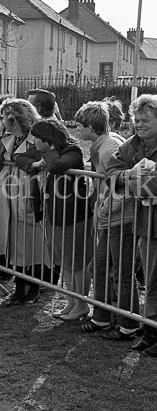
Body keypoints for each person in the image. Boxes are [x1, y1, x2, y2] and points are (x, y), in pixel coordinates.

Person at [16, 118, 93, 319]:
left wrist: (48, 153)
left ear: (47, 140)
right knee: (65, 262)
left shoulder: (73, 151)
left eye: (37, 139)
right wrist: (36, 162)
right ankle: (71, 301)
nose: (33, 143)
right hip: (54, 217)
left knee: (76, 263)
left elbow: (56, 166)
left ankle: (82, 303)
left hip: (74, 217)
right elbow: (19, 158)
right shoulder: (44, 151)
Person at [74, 101, 138, 340]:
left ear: (91, 126)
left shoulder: (109, 147)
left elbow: (122, 185)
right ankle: (103, 317)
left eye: (80, 126)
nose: (77, 131)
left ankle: (128, 324)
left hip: (120, 217)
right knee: (100, 267)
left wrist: (105, 209)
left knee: (120, 271)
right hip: (110, 216)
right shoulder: (104, 144)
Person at [106, 94, 157, 355]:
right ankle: (150, 331)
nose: (139, 124)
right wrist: (129, 176)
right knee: (150, 278)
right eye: (136, 120)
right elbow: (111, 170)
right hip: (147, 224)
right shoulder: (131, 145)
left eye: (145, 120)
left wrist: (146, 180)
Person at [0, 99, 47, 305]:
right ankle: (20, 285)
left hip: (29, 187)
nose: (2, 120)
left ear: (15, 117)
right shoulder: (7, 137)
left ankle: (34, 286)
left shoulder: (37, 137)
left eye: (5, 116)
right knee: (14, 237)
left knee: (32, 237)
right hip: (9, 189)